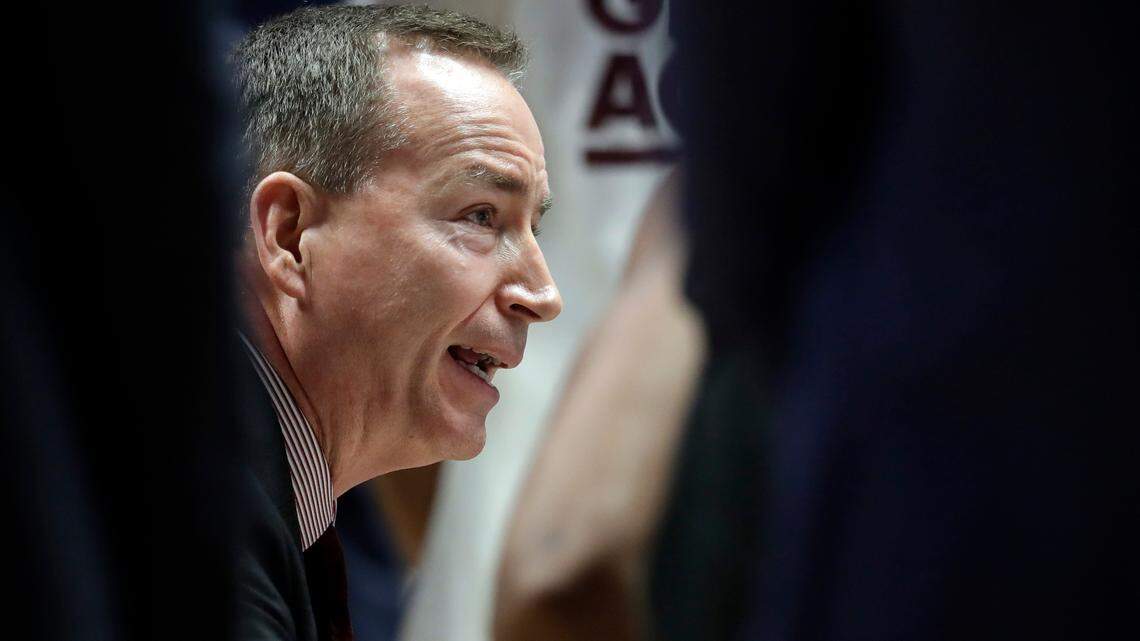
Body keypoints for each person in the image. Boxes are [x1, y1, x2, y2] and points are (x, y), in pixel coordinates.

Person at [229, 5, 561, 640]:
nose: (543, 295)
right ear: (290, 234)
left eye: (534, 229)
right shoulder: (201, 533)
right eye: (481, 216)